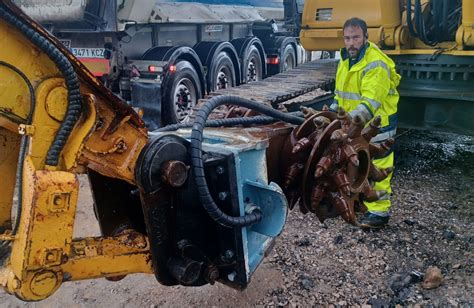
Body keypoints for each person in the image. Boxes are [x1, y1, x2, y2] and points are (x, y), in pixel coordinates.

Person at [329, 17, 401, 229]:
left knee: (379, 165)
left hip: (377, 125)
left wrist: (349, 126)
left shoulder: (375, 63)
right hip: (355, 125)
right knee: (357, 163)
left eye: (356, 38)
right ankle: (361, 203)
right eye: (347, 38)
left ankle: (379, 213)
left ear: (365, 38)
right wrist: (332, 114)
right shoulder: (345, 60)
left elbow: (370, 103)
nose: (351, 43)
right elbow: (339, 96)